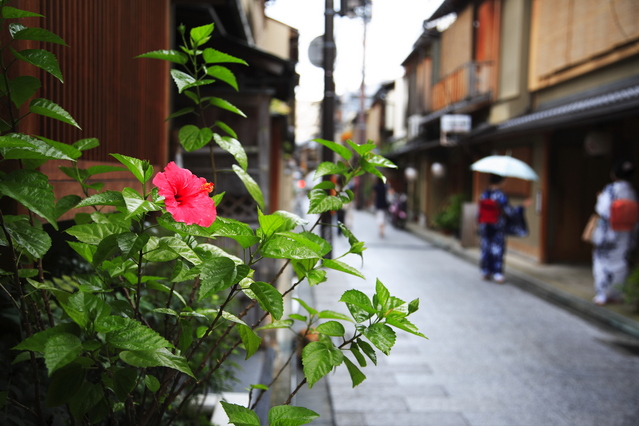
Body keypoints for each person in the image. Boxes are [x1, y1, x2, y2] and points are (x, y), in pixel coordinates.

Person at [591, 160, 639, 305]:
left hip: (610, 232)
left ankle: (603, 294)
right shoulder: (633, 192)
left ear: (613, 174)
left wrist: (599, 199)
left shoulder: (611, 190)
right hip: (626, 232)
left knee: (603, 262)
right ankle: (616, 294)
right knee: (621, 262)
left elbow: (603, 210)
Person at [477, 174, 531, 283]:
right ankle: (497, 273)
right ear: (501, 182)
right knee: (497, 249)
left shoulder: (484, 194)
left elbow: (479, 212)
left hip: (485, 225)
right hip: (497, 225)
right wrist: (522, 207)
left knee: (485, 247)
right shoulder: (501, 195)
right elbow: (510, 212)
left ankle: (485, 270)